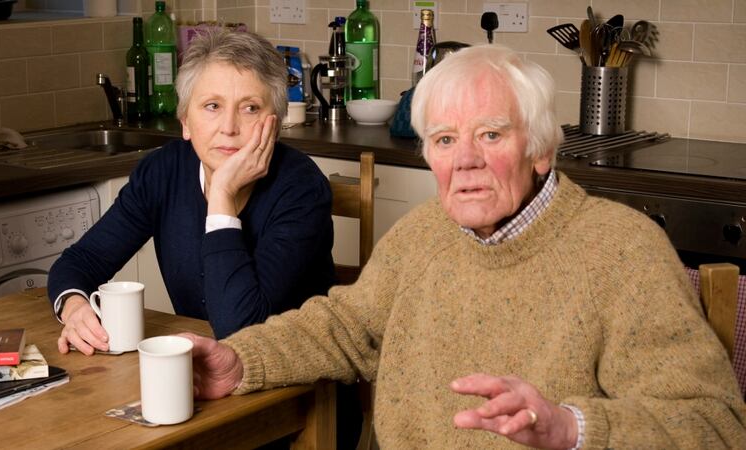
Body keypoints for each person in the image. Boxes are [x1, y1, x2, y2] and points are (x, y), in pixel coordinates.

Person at [178, 45, 746, 448]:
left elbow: (713, 427)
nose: (466, 159)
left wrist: (571, 428)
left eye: (491, 135)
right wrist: (242, 360)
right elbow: (344, 328)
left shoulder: (623, 252)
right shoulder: (421, 235)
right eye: (446, 140)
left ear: (542, 148)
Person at [47, 30, 336, 354]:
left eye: (250, 108)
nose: (229, 127)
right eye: (212, 105)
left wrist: (221, 195)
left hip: (298, 388)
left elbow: (240, 329)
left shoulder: (301, 189)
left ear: (276, 123)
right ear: (185, 121)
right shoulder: (163, 171)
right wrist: (74, 308)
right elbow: (81, 261)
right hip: (200, 369)